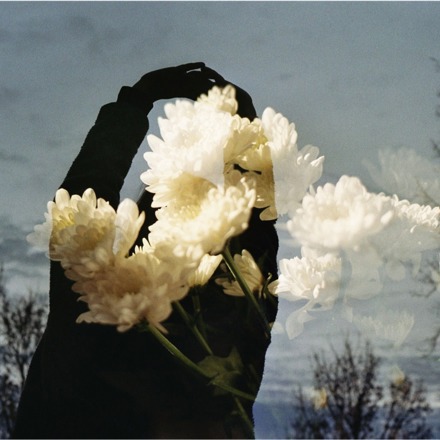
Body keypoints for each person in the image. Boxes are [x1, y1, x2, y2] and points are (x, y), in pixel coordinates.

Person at [12, 63, 278, 439]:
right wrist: (248, 137)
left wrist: (136, 101)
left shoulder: (97, 309)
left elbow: (80, 205)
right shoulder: (231, 339)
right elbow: (259, 245)